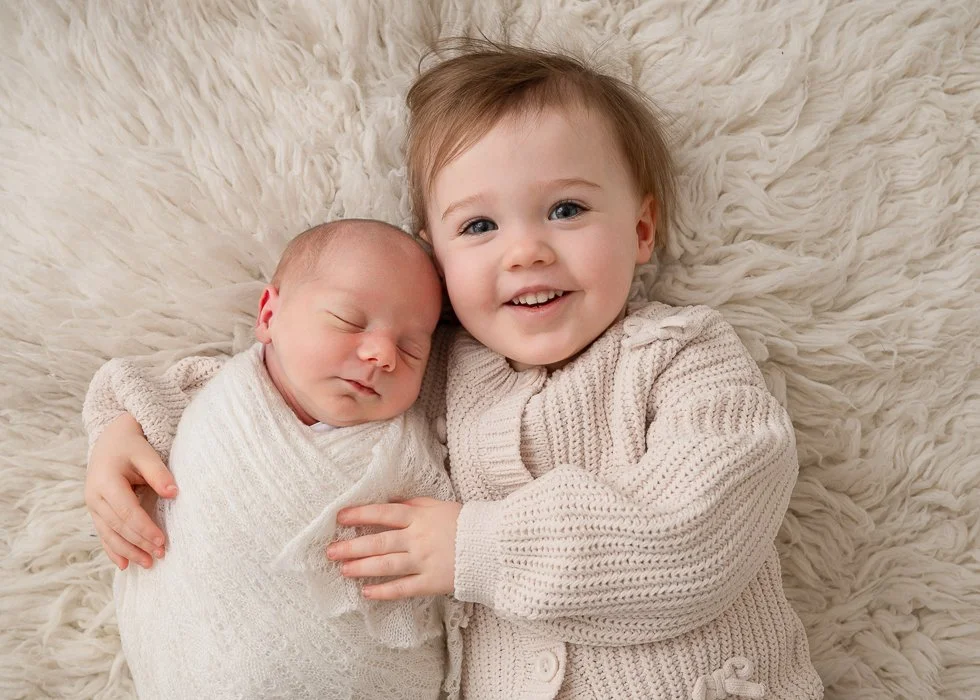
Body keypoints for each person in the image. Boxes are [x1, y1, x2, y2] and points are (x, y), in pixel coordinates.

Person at [84, 40, 824, 699]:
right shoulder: (422, 368)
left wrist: (476, 547)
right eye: (479, 226)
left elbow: (697, 538)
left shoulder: (684, 356)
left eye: (566, 209)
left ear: (638, 230)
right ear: (436, 259)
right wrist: (126, 420)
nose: (526, 250)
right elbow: (274, 381)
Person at [85, 219, 463, 699]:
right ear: (269, 314)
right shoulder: (208, 390)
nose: (382, 354)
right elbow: (126, 395)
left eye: (412, 349)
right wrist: (112, 439)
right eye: (349, 321)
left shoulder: (414, 445)